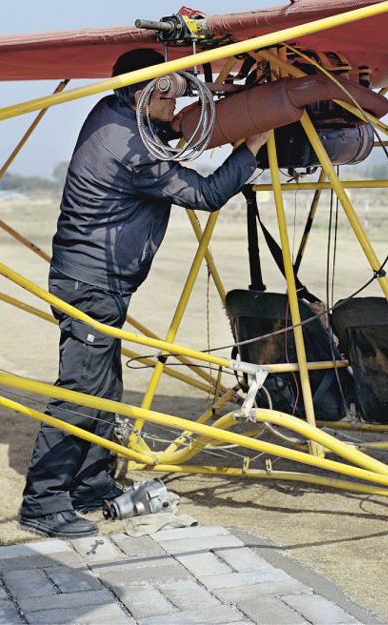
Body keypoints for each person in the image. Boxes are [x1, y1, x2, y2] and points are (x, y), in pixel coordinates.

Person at [20, 48, 269, 537]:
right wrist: (252, 144)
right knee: (81, 391)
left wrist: (212, 95)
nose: (175, 106)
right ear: (141, 95)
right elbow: (206, 194)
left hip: (96, 280)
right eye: (167, 94)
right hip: (91, 283)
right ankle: (43, 501)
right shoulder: (128, 146)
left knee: (106, 391)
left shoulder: (116, 113)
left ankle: (89, 485)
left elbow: (165, 130)